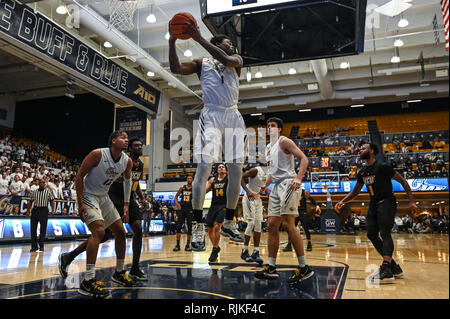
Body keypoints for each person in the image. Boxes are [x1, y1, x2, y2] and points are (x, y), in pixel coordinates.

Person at [169, 24, 245, 249]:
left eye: (231, 44)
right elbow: (175, 68)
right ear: (216, 44)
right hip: (211, 114)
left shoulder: (236, 60)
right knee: (203, 168)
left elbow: (228, 60)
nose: (231, 46)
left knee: (236, 170)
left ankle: (230, 221)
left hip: (233, 114)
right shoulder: (202, 64)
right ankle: (198, 225)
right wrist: (172, 41)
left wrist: (198, 38)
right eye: (227, 43)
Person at [59, 137, 147, 282]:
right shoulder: (101, 155)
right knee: (101, 234)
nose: (139, 147)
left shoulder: (135, 164)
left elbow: (132, 183)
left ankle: (131, 268)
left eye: (141, 145)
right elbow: (80, 175)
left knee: (131, 230)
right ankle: (79, 268)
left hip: (121, 198)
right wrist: (81, 203)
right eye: (135, 145)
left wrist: (135, 200)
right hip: (108, 196)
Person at [335, 143, 418, 282]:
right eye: (360, 148)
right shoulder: (362, 171)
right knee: (371, 234)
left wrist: (412, 201)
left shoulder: (383, 166)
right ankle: (393, 267)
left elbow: (403, 181)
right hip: (373, 203)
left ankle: (386, 269)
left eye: (364, 148)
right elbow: (355, 191)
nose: (360, 150)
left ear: (372, 151)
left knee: (385, 233)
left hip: (387, 201)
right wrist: (342, 201)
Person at [254, 118, 314, 284]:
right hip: (277, 186)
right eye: (268, 126)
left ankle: (304, 267)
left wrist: (299, 179)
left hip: (289, 183)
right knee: (271, 224)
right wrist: (263, 186)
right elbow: (272, 174)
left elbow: (304, 159)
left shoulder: (284, 141)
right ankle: (271, 267)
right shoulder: (268, 147)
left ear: (279, 129)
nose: (269, 128)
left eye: (273, 126)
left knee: (288, 224)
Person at [240, 162, 269, 265]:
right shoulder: (256, 170)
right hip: (249, 197)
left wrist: (266, 189)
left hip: (257, 199)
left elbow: (263, 185)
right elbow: (241, 178)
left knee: (258, 225)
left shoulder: (270, 172)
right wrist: (247, 191)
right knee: (251, 223)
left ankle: (256, 252)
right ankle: (244, 251)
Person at [205, 163, 229, 262]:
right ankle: (216, 247)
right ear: (217, 170)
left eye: (223, 167)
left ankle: (214, 250)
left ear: (226, 170)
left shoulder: (229, 179)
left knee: (216, 226)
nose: (221, 168)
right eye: (219, 167)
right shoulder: (212, 180)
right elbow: (205, 191)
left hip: (223, 205)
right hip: (213, 205)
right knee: (210, 229)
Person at [26, 179, 55, 252]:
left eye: (43, 183)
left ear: (45, 184)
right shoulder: (34, 192)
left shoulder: (48, 192)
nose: (42, 184)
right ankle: (34, 247)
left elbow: (52, 201)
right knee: (33, 229)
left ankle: (41, 246)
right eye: (41, 182)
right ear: (38, 183)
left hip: (44, 210)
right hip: (35, 210)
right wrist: (28, 211)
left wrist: (52, 210)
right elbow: (30, 202)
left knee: (43, 229)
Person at [173, 175, 194, 251]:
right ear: (186, 180)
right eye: (188, 178)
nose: (189, 179)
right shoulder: (182, 188)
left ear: (192, 180)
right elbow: (176, 197)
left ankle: (188, 245)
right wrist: (177, 203)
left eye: (190, 178)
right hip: (182, 209)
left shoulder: (194, 189)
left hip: (190, 209)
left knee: (190, 227)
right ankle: (177, 245)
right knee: (179, 227)